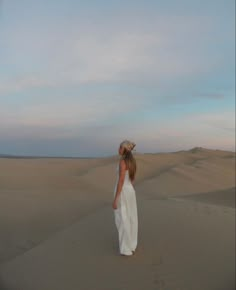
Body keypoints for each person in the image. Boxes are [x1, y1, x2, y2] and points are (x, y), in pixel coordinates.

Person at [112, 139, 138, 256]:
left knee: (122, 219)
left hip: (123, 192)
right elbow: (132, 179)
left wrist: (116, 198)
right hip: (130, 191)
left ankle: (126, 248)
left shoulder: (122, 162)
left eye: (120, 147)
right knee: (131, 217)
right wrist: (130, 191)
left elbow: (121, 181)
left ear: (124, 149)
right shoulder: (132, 162)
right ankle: (132, 244)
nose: (118, 149)